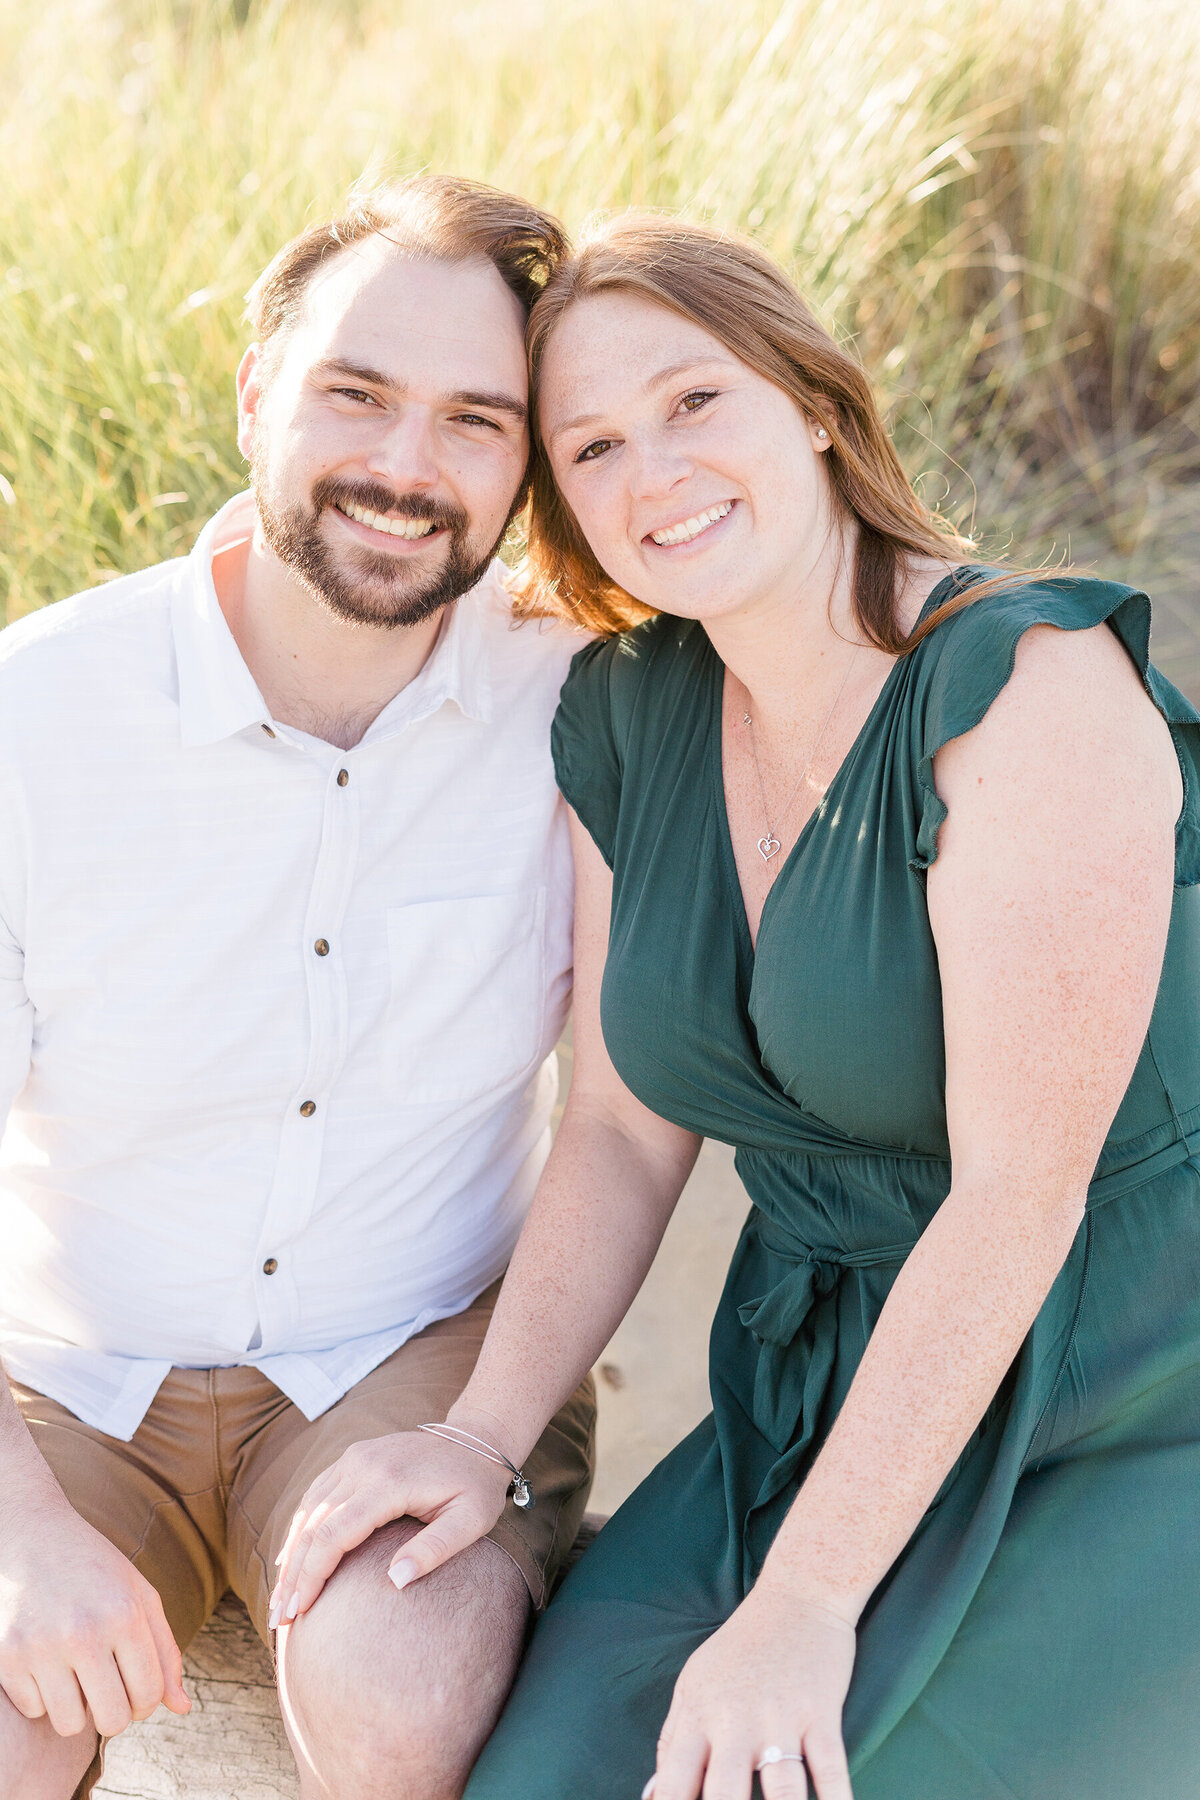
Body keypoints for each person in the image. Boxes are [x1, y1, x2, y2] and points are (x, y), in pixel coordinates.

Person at [272, 213, 1200, 1800]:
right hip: (811, 1392)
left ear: (815, 404)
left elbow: (1017, 1200)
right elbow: (622, 1133)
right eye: (593, 446)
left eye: (695, 401)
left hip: (1121, 1388)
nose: (657, 473)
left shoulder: (1026, 690)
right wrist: (483, 1436)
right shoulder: (634, 712)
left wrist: (805, 1608)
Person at [0, 176, 597, 1800]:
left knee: (404, 1683)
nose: (408, 466)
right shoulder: (38, 717)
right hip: (60, 1379)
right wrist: (18, 1533)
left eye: (475, 420)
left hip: (411, 1349)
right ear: (258, 391)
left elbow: (623, 1125)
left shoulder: (579, 710)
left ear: (526, 463)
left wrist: (484, 1431)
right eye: (357, 393)